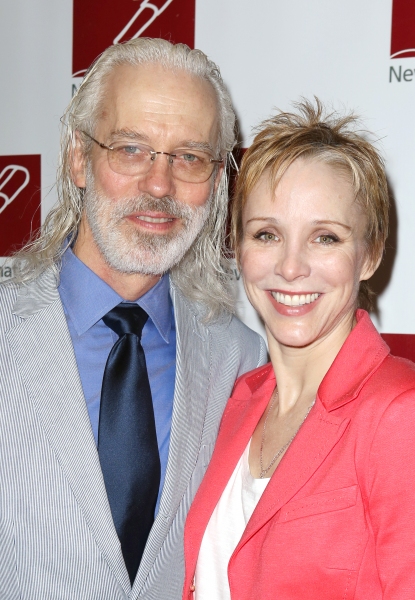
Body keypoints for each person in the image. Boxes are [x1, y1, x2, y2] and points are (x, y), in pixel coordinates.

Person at [0, 38, 266, 600]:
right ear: (78, 157)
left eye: (189, 157)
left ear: (217, 181)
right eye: (131, 148)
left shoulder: (241, 357)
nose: (160, 185)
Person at [182, 99, 415, 599]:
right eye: (267, 234)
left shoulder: (400, 413)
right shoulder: (239, 399)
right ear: (239, 247)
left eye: (325, 238)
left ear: (370, 254)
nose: (290, 267)